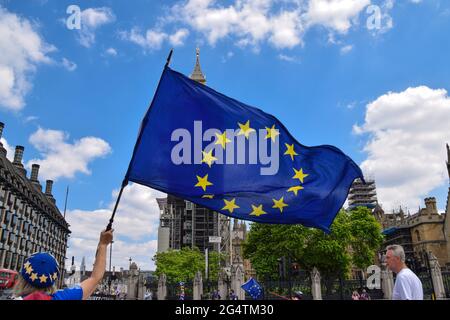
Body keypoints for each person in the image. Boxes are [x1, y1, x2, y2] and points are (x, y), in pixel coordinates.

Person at [13, 229, 114, 300]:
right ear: (53, 279)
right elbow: (95, 278)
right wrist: (103, 244)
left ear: (22, 277)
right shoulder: (64, 297)